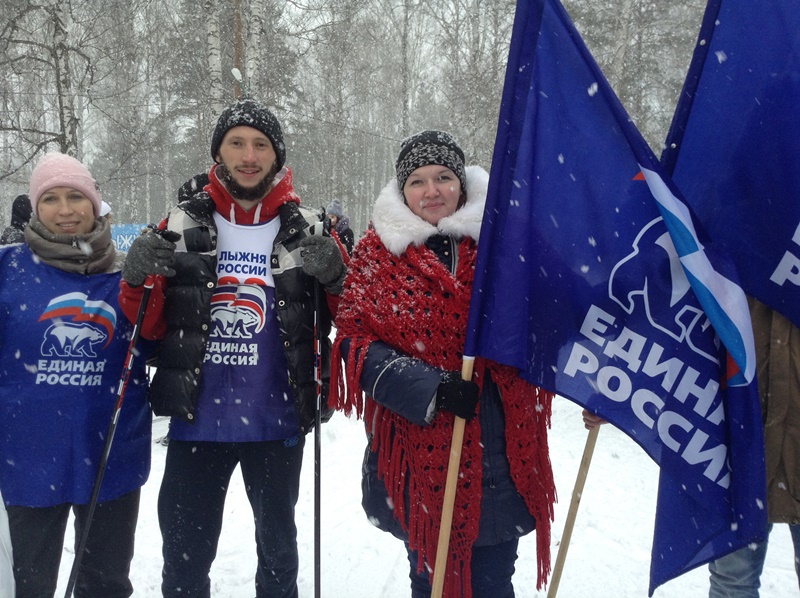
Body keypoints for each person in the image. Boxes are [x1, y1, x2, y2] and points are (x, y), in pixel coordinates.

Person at [119, 98, 346, 598]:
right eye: (236, 143)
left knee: (279, 560)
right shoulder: (181, 224)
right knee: (184, 562)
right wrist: (136, 280)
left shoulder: (307, 227)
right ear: (218, 152)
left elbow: (345, 316)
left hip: (276, 421)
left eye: (260, 145)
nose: (248, 156)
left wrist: (336, 276)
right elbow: (147, 327)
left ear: (276, 155)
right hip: (198, 421)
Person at [329, 130, 556, 598]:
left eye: (443, 177)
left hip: (500, 455)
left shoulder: (504, 244)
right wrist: (430, 388)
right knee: (431, 580)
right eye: (418, 181)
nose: (432, 190)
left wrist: (591, 386)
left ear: (462, 184)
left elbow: (551, 319)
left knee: (493, 582)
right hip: (418, 456)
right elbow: (353, 342)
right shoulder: (377, 253)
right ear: (403, 190)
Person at [0, 152, 152, 597]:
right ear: (35, 207)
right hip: (27, 456)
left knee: (105, 584)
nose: (65, 210)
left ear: (95, 202)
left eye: (76, 197)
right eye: (50, 199)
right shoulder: (7, 269)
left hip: (110, 454)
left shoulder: (129, 273)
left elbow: (162, 344)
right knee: (30, 585)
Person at [708, 298, 800, 597]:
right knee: (732, 585)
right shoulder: (728, 266)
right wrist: (617, 393)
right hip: (739, 455)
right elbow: (670, 318)